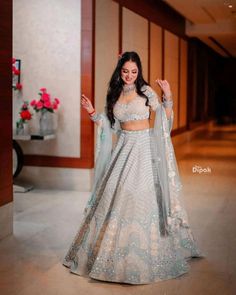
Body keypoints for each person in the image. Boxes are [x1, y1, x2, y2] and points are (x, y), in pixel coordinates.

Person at [62, 51, 204, 284]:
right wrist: (91, 112)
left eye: (134, 72)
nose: (129, 75)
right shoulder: (115, 94)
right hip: (123, 149)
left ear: (139, 72)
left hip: (144, 148)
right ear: (120, 71)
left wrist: (168, 97)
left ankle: (146, 254)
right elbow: (112, 128)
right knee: (114, 196)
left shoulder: (146, 92)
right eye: (125, 71)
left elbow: (164, 123)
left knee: (138, 195)